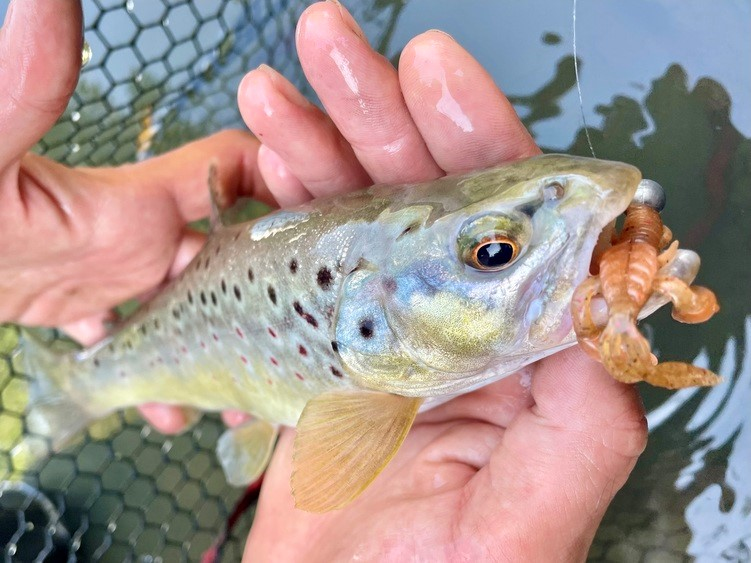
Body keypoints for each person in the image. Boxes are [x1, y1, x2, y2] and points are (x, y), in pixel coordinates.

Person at [0, 1, 647, 560]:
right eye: (494, 251)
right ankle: (73, 388)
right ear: (366, 318)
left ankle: (72, 390)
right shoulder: (379, 391)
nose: (504, 252)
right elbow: (325, 476)